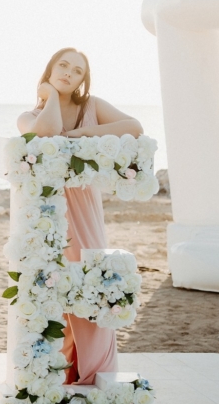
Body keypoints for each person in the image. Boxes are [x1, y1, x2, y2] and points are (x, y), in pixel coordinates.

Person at [17, 47, 143, 384]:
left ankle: (93, 371)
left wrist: (86, 133)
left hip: (85, 207)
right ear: (50, 69)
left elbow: (134, 126)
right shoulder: (28, 116)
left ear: (82, 80)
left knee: (91, 280)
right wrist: (49, 97)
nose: (69, 73)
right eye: (63, 66)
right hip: (47, 212)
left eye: (77, 71)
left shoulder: (92, 106)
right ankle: (60, 370)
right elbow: (46, 132)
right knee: (54, 287)